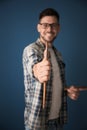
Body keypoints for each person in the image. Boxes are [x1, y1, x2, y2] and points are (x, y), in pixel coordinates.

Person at [22, 8, 80, 130]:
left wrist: (67, 90)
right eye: (45, 25)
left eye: (53, 25)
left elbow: (55, 85)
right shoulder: (31, 50)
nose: (49, 29)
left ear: (58, 29)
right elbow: (35, 67)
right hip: (38, 122)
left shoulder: (58, 54)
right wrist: (37, 70)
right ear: (38, 27)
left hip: (58, 121)